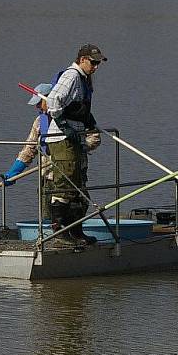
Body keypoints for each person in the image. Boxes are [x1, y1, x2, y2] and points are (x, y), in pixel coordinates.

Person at [2, 83, 100, 220]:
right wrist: (15, 171)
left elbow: (95, 137)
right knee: (48, 214)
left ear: (51, 99)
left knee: (76, 208)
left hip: (72, 173)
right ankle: (51, 237)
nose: (37, 107)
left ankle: (73, 235)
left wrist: (73, 147)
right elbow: (29, 149)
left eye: (39, 103)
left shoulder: (74, 116)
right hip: (48, 175)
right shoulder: (40, 121)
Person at [45, 44, 107, 245]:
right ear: (82, 59)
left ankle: (76, 230)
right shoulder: (71, 75)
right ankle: (60, 231)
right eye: (93, 62)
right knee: (66, 183)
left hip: (76, 138)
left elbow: (78, 107)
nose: (96, 67)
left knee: (79, 188)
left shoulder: (85, 79)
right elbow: (53, 100)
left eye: (98, 63)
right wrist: (63, 125)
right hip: (62, 139)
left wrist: (90, 121)